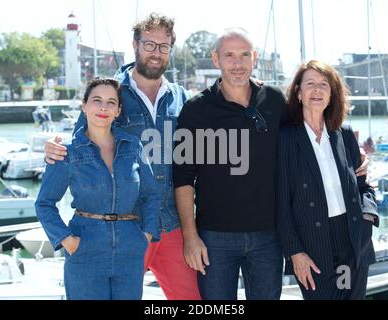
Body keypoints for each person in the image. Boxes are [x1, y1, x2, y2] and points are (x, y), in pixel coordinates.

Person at [43, 13, 201, 300]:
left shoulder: (181, 97)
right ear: (135, 45)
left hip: (171, 224)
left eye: (164, 46)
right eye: (149, 44)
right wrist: (53, 147)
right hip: (123, 229)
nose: (156, 52)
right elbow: (81, 142)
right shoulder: (111, 92)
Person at [172, 28, 288, 300]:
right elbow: (183, 178)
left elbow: (301, 146)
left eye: (244, 55)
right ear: (216, 59)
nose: (237, 63)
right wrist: (190, 237)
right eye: (229, 56)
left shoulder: (274, 101)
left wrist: (353, 156)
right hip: (214, 237)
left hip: (268, 236)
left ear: (254, 58)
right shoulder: (196, 110)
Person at [35, 78, 160, 300]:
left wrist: (146, 235)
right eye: (97, 100)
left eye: (111, 102)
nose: (103, 107)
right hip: (84, 248)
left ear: (118, 110)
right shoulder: (67, 152)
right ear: (84, 106)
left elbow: (151, 195)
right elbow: (44, 204)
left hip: (129, 249)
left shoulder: (133, 146)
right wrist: (67, 241)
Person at [276, 60, 379, 300]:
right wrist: (295, 252)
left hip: (352, 240)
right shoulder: (286, 139)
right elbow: (281, 202)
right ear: (299, 93)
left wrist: (368, 216)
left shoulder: (343, 133)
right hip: (313, 245)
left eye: (324, 84)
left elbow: (363, 185)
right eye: (310, 83)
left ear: (332, 94)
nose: (317, 90)